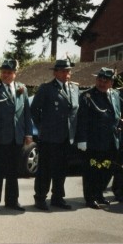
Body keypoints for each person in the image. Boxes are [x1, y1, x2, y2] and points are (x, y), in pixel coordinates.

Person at [0, 59, 32, 212]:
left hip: (16, 137)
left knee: (13, 172)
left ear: (15, 74)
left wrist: (28, 133)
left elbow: (26, 114)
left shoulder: (22, 88)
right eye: (3, 72)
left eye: (9, 72)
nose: (6, 75)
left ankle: (12, 201)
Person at [30, 59, 79, 211]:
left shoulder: (74, 88)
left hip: (66, 137)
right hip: (49, 137)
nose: (66, 74)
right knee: (45, 170)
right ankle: (40, 198)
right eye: (63, 71)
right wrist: (43, 127)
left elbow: (74, 112)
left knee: (61, 170)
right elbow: (34, 110)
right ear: (55, 72)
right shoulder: (46, 88)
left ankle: (57, 198)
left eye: (68, 71)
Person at [75, 67, 121, 209]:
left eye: (105, 81)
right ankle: (90, 198)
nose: (101, 83)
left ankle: (99, 194)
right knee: (92, 171)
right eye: (99, 80)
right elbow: (82, 120)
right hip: (93, 142)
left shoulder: (115, 95)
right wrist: (82, 140)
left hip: (111, 141)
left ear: (111, 83)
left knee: (107, 170)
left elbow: (116, 114)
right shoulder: (87, 96)